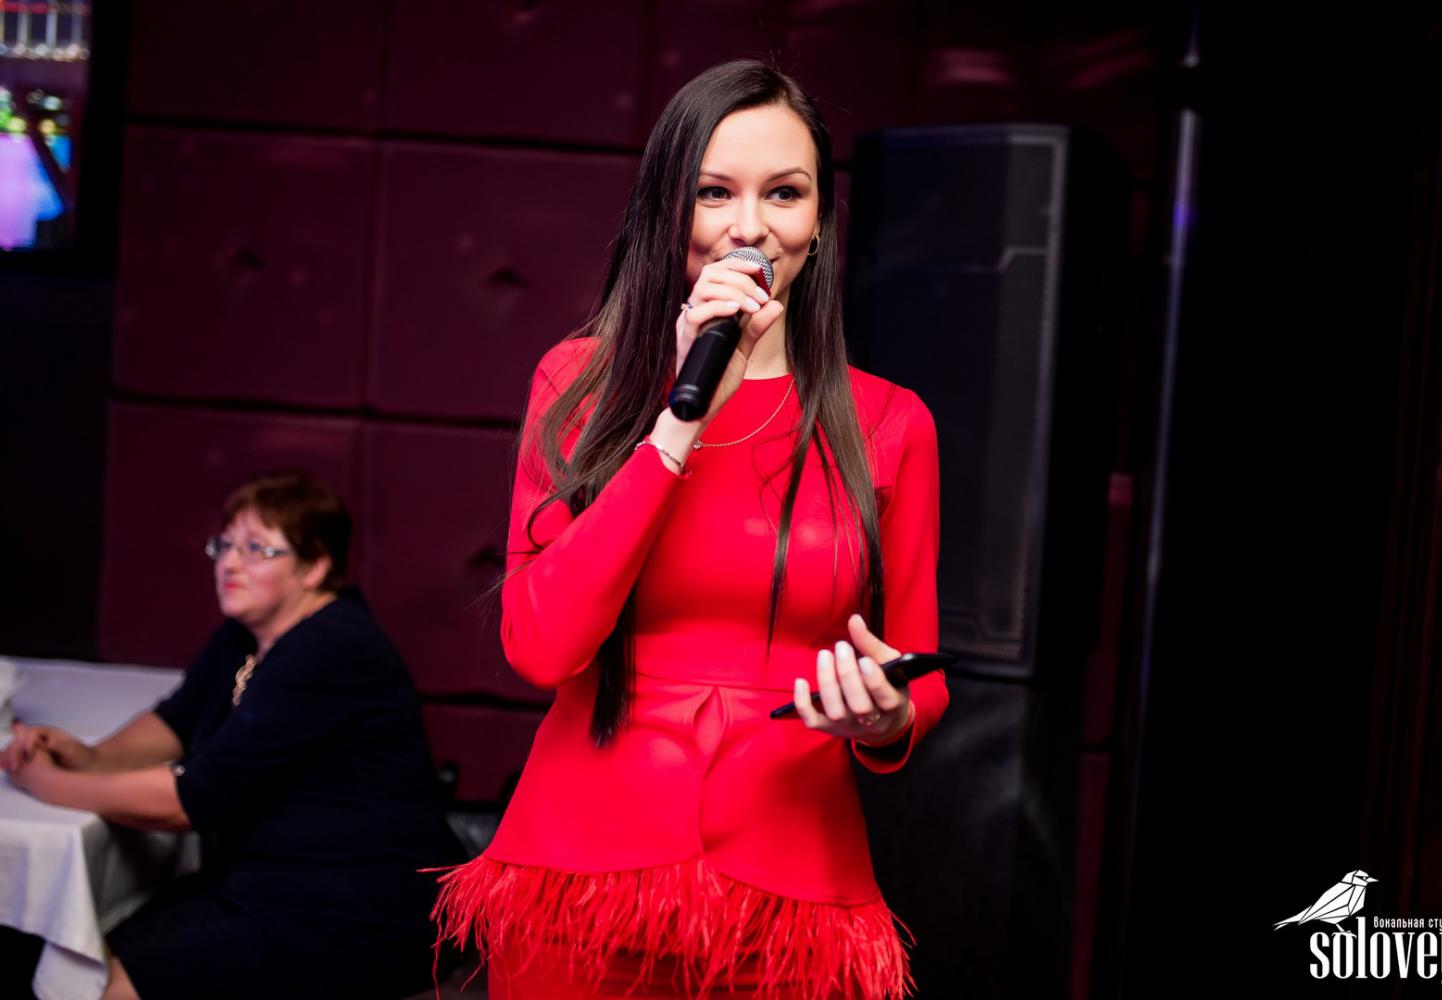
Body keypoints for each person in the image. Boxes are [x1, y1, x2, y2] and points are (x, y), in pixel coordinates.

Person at [431, 60, 948, 999]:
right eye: (715, 193)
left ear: (820, 221)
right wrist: (678, 421)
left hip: (791, 894)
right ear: (669, 211)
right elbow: (541, 646)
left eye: (783, 193)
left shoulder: (890, 423)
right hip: (581, 880)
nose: (749, 226)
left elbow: (920, 670)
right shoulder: (578, 383)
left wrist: (887, 717)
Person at [2, 470, 464, 1000]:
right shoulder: (247, 634)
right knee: (78, 951)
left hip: (355, 908)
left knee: (99, 980)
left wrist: (45, 783)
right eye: (225, 545)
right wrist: (89, 756)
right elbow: (175, 722)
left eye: (257, 550)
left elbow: (190, 801)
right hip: (274, 881)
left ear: (315, 566)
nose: (230, 563)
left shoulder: (331, 648)